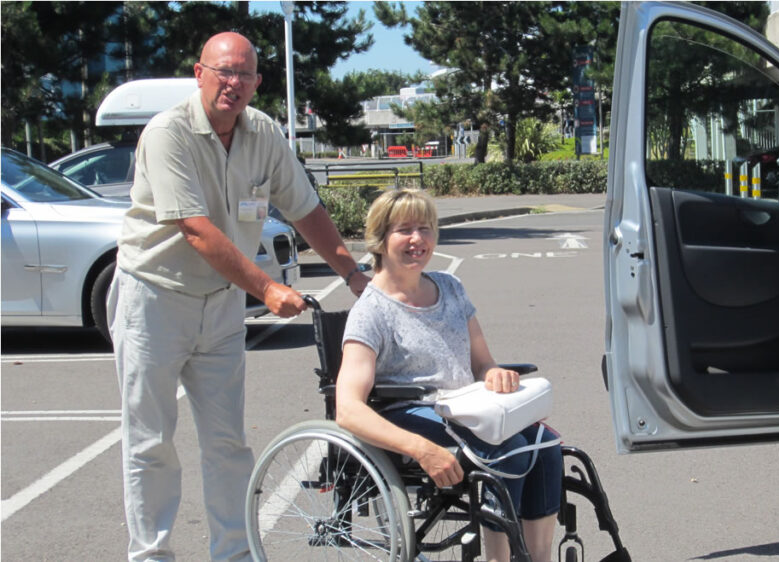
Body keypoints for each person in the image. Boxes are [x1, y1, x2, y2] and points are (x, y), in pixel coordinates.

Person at [107, 31, 370, 562]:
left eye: (244, 74)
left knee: (228, 443)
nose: (233, 83)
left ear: (257, 82)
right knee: (150, 441)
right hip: (153, 298)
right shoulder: (167, 133)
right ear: (199, 73)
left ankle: (234, 554)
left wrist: (354, 276)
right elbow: (196, 229)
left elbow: (305, 208)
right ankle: (150, 555)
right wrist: (268, 287)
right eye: (223, 71)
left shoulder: (263, 133)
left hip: (222, 304)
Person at [335, 189, 562, 562]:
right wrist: (421, 449)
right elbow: (348, 409)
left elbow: (483, 364)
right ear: (379, 239)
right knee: (508, 452)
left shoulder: (450, 288)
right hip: (413, 410)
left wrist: (495, 375)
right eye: (404, 229)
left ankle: (538, 558)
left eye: (425, 229)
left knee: (545, 444)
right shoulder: (371, 311)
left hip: (467, 405)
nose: (417, 239)